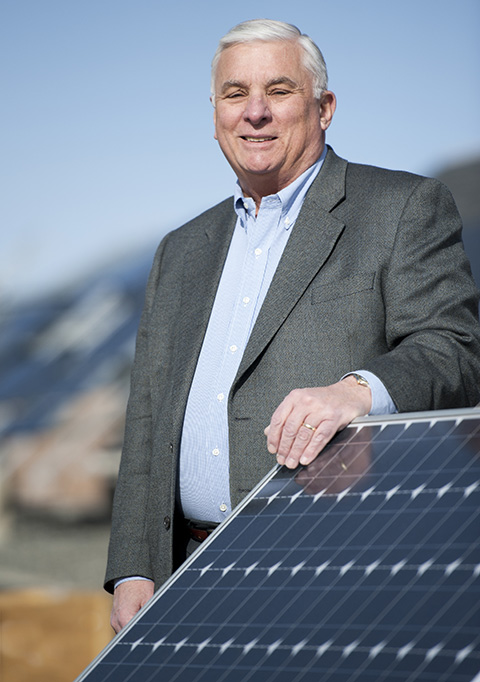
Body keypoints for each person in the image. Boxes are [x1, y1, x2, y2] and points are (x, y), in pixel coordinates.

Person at [106, 19, 480, 633]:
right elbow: (146, 415)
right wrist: (133, 567)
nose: (254, 112)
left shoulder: (402, 207)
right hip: (188, 577)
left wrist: (358, 390)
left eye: (278, 91)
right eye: (235, 94)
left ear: (323, 107)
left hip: (340, 570)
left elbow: (455, 350)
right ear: (215, 109)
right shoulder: (180, 250)